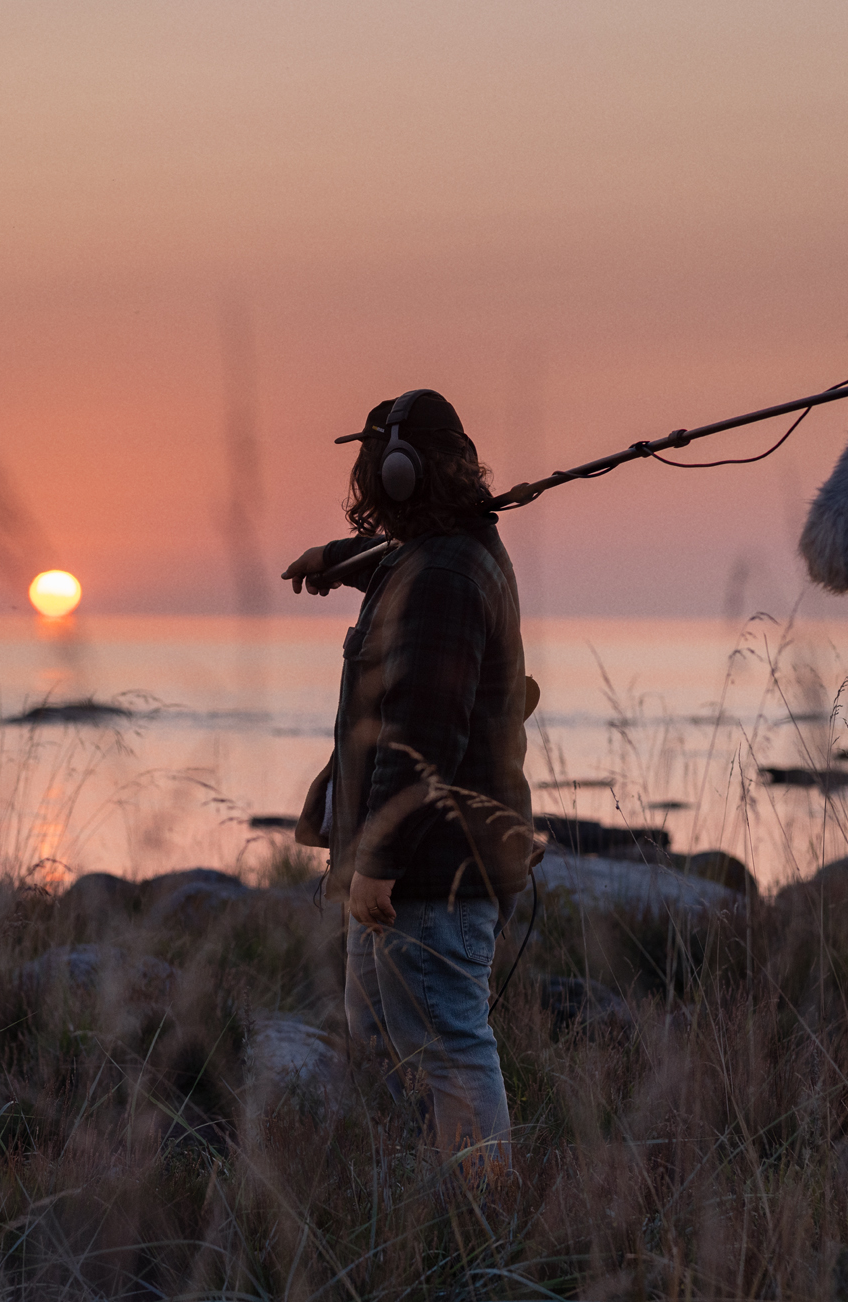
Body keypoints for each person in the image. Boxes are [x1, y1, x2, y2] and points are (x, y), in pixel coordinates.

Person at [281, 388, 534, 1167]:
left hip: (429, 871)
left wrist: (379, 863)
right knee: (385, 1042)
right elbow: (402, 560)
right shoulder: (440, 554)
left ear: (392, 476)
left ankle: (480, 1218)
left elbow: (421, 731)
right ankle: (419, 1209)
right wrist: (336, 561)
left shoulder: (445, 581)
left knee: (449, 1048)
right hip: (425, 864)